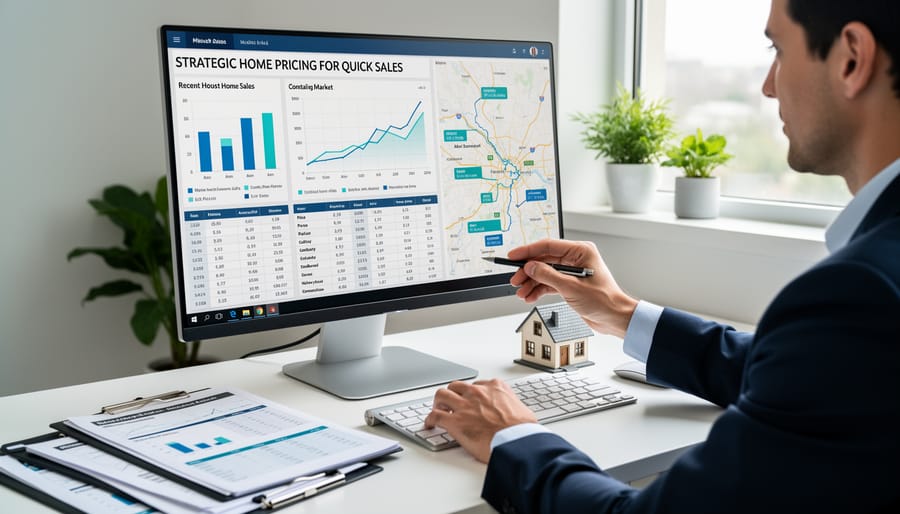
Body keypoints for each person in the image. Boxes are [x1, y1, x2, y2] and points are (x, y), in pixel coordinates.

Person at [423, 0, 900, 512]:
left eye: (778, 50)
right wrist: (620, 312)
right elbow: (808, 378)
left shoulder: (860, 291)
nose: (767, 85)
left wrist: (513, 438)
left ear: (851, 58)